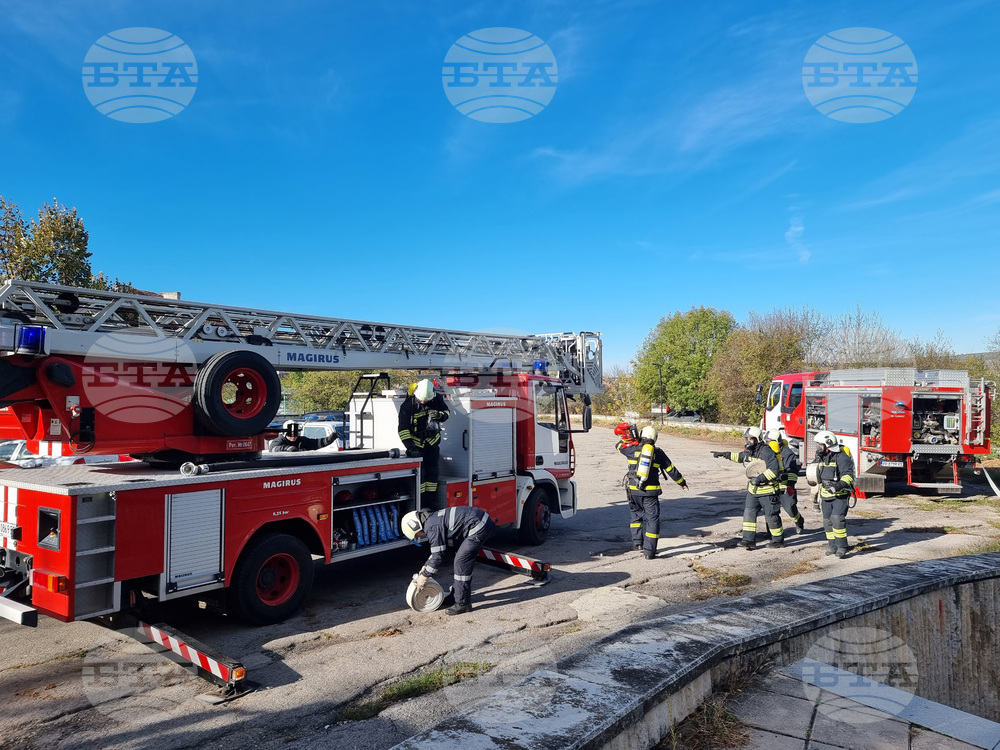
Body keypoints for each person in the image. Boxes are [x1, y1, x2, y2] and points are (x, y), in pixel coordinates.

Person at [401, 506, 495, 615]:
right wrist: (426, 566)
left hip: (478, 525)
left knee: (461, 562)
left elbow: (438, 556)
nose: (420, 536)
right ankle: (456, 595)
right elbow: (438, 551)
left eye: (416, 535)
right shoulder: (431, 521)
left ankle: (463, 604)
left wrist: (424, 576)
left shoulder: (432, 527)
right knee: (460, 559)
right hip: (478, 520)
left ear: (415, 526)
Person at [616, 425, 689, 559]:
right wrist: (682, 483)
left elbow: (619, 446)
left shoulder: (631, 449)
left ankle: (637, 543)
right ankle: (649, 552)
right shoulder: (658, 453)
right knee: (652, 520)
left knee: (635, 516)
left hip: (633, 491)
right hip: (650, 493)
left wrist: (629, 438)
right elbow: (671, 469)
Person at [712, 426, 785, 550]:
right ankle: (748, 540)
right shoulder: (751, 451)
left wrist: (760, 478)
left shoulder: (766, 452)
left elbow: (774, 471)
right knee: (749, 514)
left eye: (750, 439)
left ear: (757, 439)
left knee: (771, 516)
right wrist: (725, 454)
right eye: (746, 439)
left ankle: (778, 541)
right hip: (753, 491)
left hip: (767, 491)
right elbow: (741, 457)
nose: (747, 441)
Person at [398, 379, 450, 505]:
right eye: (421, 399)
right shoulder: (407, 405)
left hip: (432, 442)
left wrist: (439, 415)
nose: (423, 402)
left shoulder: (437, 399)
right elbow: (403, 429)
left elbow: (447, 413)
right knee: (420, 475)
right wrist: (410, 447)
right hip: (416, 445)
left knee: (432, 473)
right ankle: (420, 502)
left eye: (426, 400)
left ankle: (431, 502)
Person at [813, 430, 856, 558]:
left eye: (821, 445)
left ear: (828, 444)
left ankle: (842, 547)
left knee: (837, 520)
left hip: (840, 496)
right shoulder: (822, 457)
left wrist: (837, 486)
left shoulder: (842, 458)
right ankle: (832, 546)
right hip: (825, 496)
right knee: (827, 522)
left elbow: (848, 476)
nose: (819, 447)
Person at [764, 428, 806, 533]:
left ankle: (799, 520)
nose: (767, 444)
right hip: (771, 485)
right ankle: (771, 532)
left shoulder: (787, 453)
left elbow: (792, 471)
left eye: (769, 441)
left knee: (790, 508)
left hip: (785, 485)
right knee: (770, 510)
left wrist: (790, 485)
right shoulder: (768, 452)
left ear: (776, 441)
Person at [268, 420, 336, 452]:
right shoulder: (278, 441)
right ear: (285, 434)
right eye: (290, 434)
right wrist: (286, 448)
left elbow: (316, 443)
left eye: (295, 434)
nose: (293, 436)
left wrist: (329, 440)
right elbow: (273, 449)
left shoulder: (302, 441)